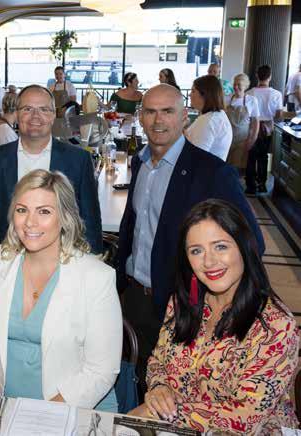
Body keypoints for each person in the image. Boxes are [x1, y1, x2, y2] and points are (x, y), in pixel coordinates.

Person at [115, 84, 264, 399]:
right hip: (136, 297)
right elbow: (135, 226)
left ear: (185, 117)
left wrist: (210, 293)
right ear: (140, 117)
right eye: (151, 111)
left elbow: (251, 241)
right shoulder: (140, 163)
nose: (158, 120)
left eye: (168, 111)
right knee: (138, 380)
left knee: (182, 393)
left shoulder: (211, 172)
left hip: (183, 303)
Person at [128, 199, 298, 433]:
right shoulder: (182, 303)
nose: (209, 262)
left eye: (220, 247)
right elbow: (158, 361)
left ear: (243, 246)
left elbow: (246, 417)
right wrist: (159, 388)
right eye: (196, 251)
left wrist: (159, 413)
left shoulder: (276, 325)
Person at [0, 169, 121, 410]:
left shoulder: (96, 278)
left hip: (74, 409)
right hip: (5, 405)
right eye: (22, 210)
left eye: (44, 212)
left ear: (65, 217)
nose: (30, 222)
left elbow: (100, 372)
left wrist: (40, 417)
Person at [0, 84, 103, 274]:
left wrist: (92, 271)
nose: (35, 116)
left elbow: (90, 222)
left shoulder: (78, 160)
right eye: (27, 109)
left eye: (43, 109)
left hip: (64, 267)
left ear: (53, 115)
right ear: (17, 114)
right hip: (8, 267)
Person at [245, 64, 282, 194]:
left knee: (251, 156)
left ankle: (250, 186)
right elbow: (278, 115)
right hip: (268, 127)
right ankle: (262, 184)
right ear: (270, 77)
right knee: (263, 156)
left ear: (257, 76)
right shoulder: (277, 94)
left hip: (252, 127)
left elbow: (246, 114)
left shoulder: (249, 93)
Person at [185, 75, 233, 160]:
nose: (189, 94)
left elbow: (197, 156)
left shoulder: (209, 121)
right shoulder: (215, 116)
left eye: (193, 91)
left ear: (204, 95)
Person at [224, 73, 260, 170]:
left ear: (245, 86)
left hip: (242, 141)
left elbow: (255, 123)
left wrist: (252, 139)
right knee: (225, 168)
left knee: (237, 169)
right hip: (227, 140)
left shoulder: (252, 100)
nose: (236, 87)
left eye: (239, 84)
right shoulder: (227, 99)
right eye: (234, 84)